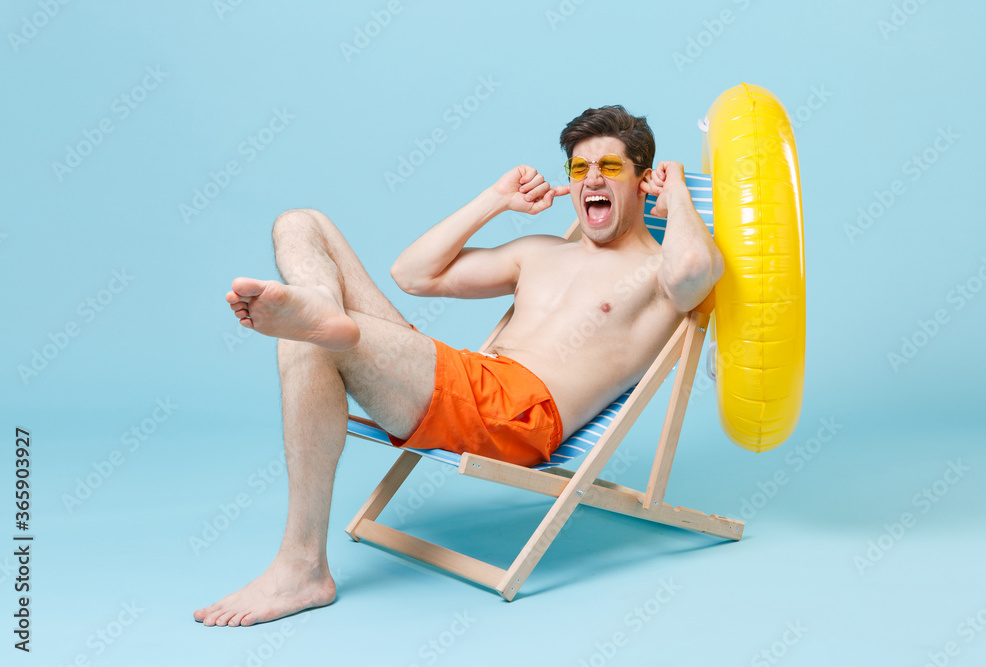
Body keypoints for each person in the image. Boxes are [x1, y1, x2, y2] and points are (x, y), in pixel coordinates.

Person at [193, 105, 724, 627]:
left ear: (641, 181)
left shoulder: (657, 274)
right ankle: (325, 311)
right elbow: (413, 273)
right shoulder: (538, 251)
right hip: (464, 380)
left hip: (517, 413)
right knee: (300, 222)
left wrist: (676, 195)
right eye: (578, 169)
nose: (590, 181)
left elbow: (696, 270)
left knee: (302, 340)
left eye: (608, 168)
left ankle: (302, 567)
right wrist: (496, 200)